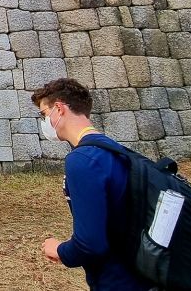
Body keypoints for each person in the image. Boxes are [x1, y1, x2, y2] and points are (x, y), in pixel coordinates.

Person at [32, 78, 150, 291]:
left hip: (117, 280)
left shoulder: (82, 160)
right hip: (142, 273)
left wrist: (60, 250)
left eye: (44, 114)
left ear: (59, 108)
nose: (44, 123)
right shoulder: (113, 150)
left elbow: (90, 244)